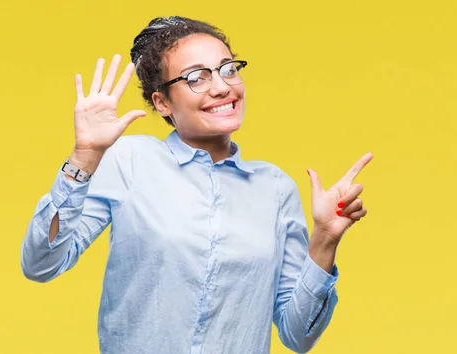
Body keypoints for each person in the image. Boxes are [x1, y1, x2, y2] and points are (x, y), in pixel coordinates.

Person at [20, 16, 372, 354]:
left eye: (228, 69)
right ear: (161, 102)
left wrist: (325, 238)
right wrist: (84, 157)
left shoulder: (275, 189)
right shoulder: (129, 161)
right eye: (196, 78)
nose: (222, 87)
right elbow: (41, 264)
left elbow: (299, 336)